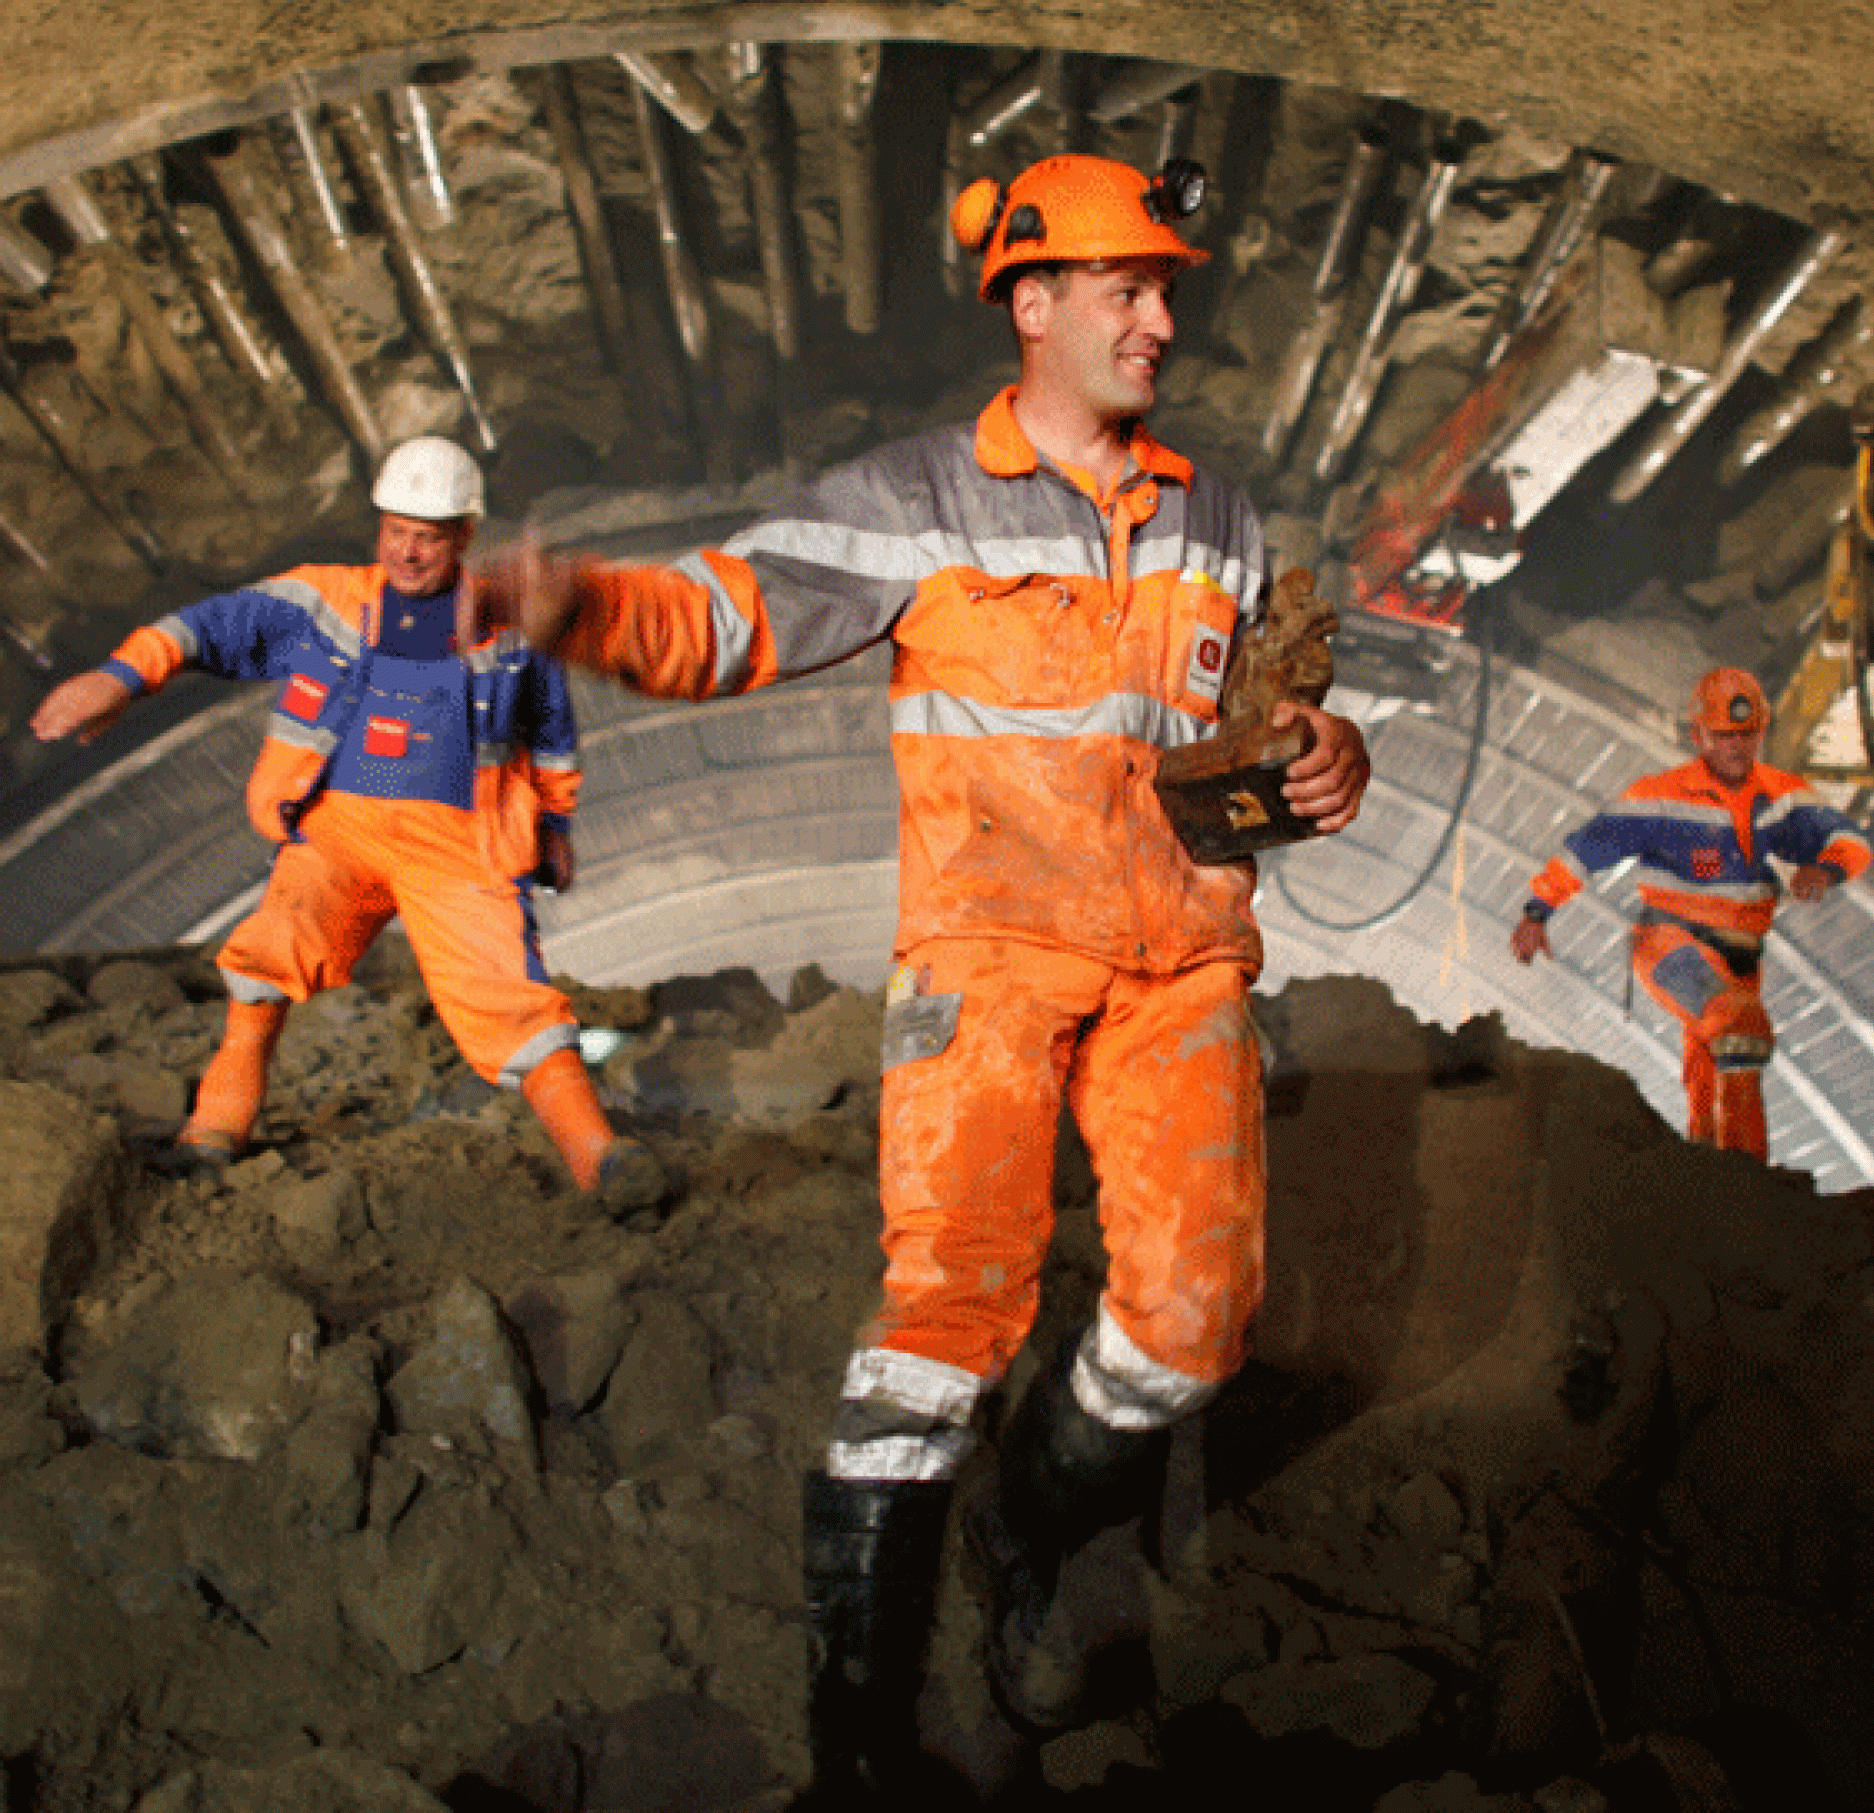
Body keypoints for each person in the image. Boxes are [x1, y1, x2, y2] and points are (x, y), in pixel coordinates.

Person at [461, 153, 1372, 1794]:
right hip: (993, 955)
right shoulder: (914, 500)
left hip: (1184, 962)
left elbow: (1249, 720)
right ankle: (862, 1741)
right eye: (1128, 289)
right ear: (1033, 306)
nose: (1163, 317)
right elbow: (720, 621)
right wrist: (579, 605)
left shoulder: (1221, 517)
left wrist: (1321, 754)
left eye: (1167, 289)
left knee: (1191, 1327)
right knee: (946, 1312)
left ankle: (1026, 1522)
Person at [31, 436, 657, 1210]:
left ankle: (604, 1160)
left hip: (458, 847)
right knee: (267, 958)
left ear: (464, 536)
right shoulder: (324, 602)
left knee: (509, 995)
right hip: (339, 831)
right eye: (395, 530)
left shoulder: (511, 632)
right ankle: (216, 1129)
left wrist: (554, 825)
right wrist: (120, 677)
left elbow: (550, 732)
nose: (408, 552)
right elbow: (207, 626)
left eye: (427, 537)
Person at [1510, 666, 1872, 1161]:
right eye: (1724, 737)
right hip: (1671, 947)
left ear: (1762, 732)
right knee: (1739, 1023)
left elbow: (1851, 841)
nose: (1737, 748)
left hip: (1741, 960)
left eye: (1747, 736)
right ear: (1698, 734)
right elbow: (1585, 852)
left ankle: (1706, 1187)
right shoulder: (1660, 797)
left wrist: (1828, 870)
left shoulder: (1780, 797)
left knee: (1709, 1079)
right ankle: (1748, 1186)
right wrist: (1537, 911)